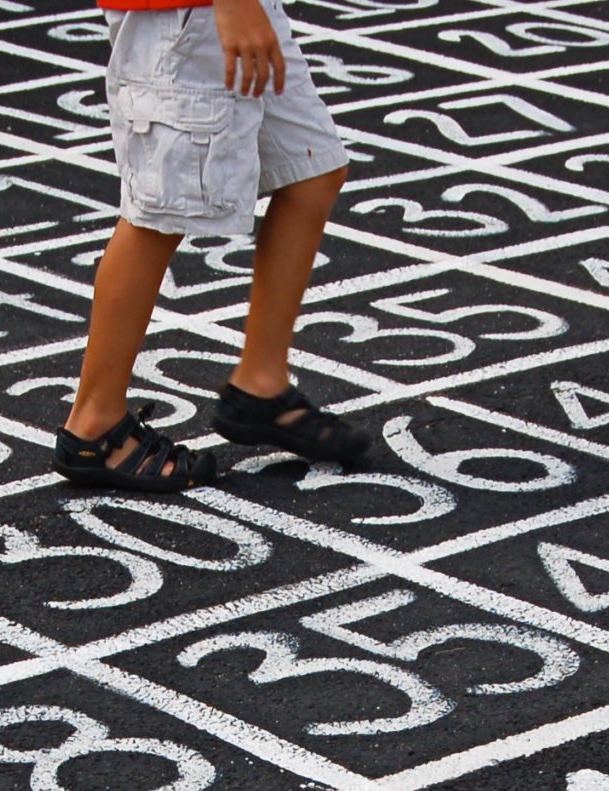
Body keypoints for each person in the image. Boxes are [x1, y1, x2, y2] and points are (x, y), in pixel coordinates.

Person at [54, 0, 375, 492]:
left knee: (312, 171)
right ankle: (93, 425)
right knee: (158, 213)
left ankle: (260, 384)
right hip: (186, 18)